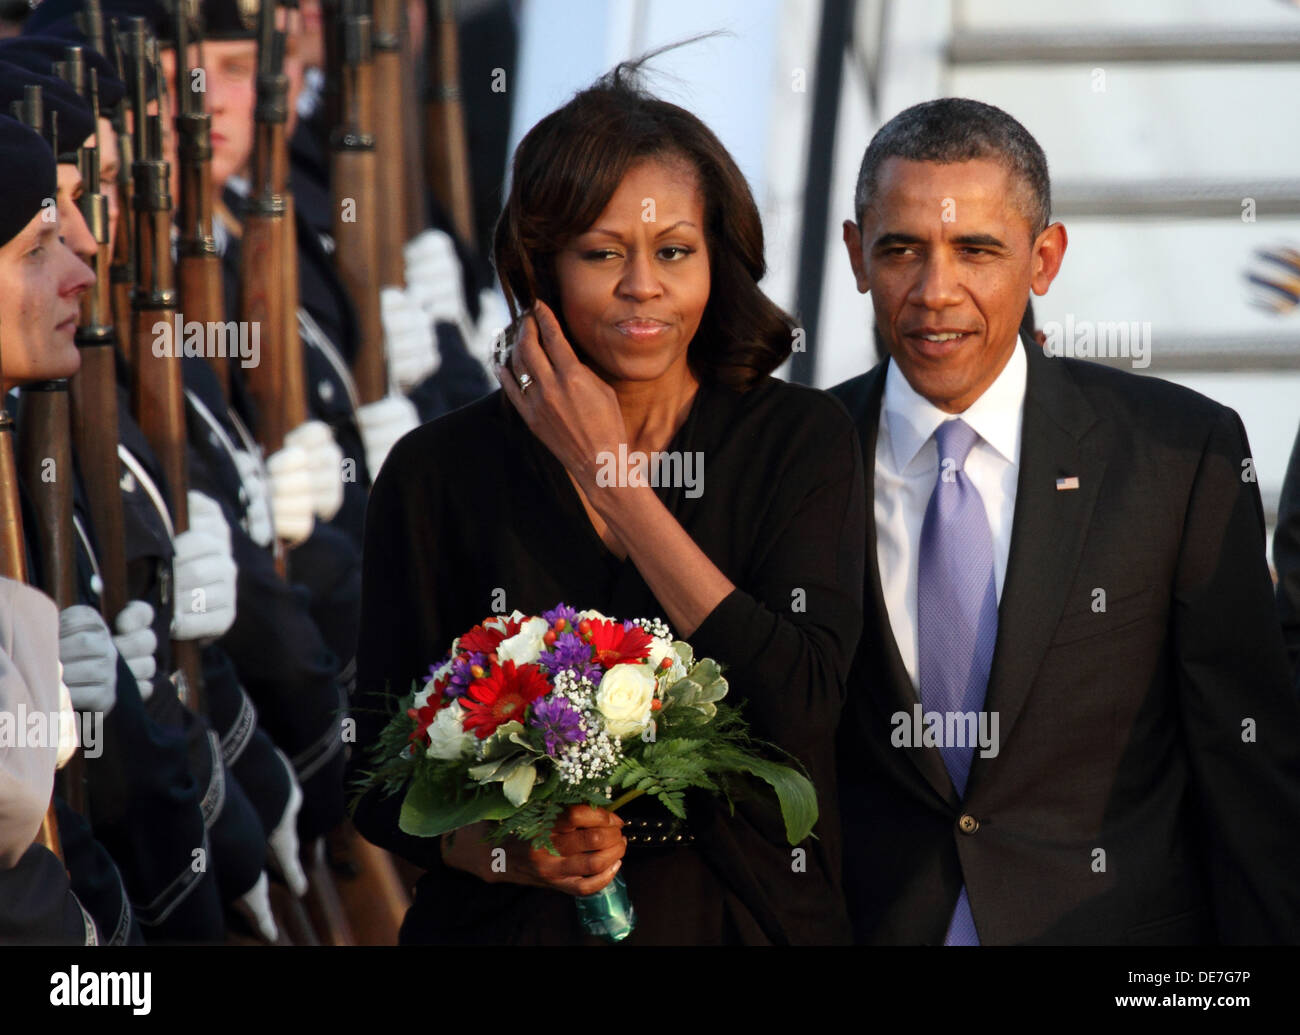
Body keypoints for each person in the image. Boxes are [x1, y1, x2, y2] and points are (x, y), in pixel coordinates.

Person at [351, 58, 865, 946]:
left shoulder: (801, 440)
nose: (643, 286)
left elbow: (803, 704)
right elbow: (375, 773)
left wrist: (614, 482)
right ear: (538, 265)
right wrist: (510, 851)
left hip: (743, 920)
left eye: (674, 251)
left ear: (719, 257)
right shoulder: (437, 469)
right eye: (602, 253)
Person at [830, 97, 1300, 944]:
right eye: (902, 249)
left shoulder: (1179, 455)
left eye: (977, 249)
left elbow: (1245, 763)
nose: (937, 292)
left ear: (1044, 258)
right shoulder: (797, 458)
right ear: (856, 254)